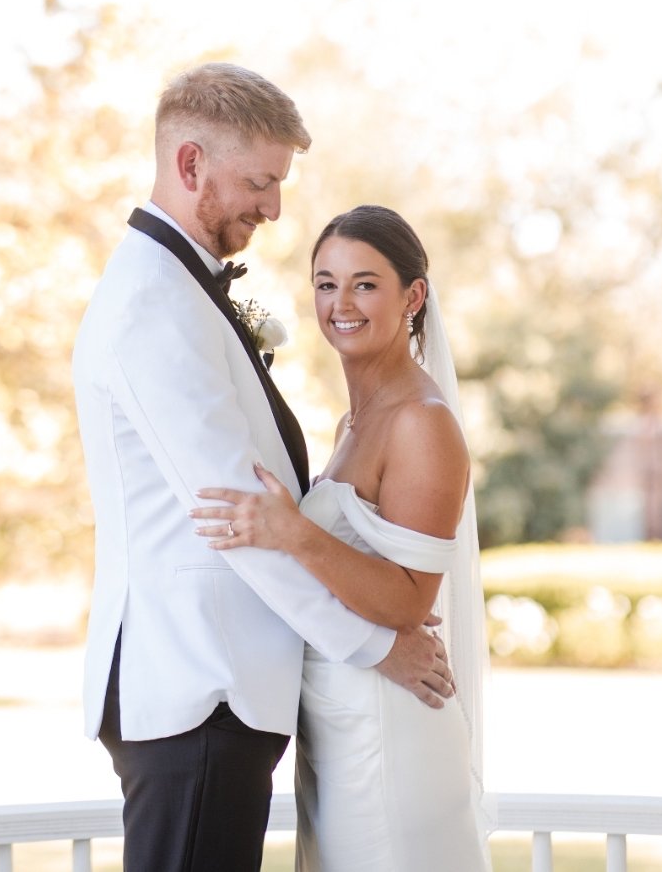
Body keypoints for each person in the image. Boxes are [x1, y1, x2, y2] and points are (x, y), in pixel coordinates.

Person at [72, 65, 454, 872]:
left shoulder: (175, 289)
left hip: (216, 691)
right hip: (198, 688)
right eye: (259, 181)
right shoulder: (153, 307)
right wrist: (375, 646)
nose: (275, 207)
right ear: (189, 166)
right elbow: (239, 521)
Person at [190, 203, 492, 871]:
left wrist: (294, 534)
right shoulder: (352, 424)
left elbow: (412, 602)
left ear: (413, 296)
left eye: (365, 283)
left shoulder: (422, 422)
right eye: (326, 283)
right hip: (336, 720)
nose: (341, 303)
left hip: (390, 723)